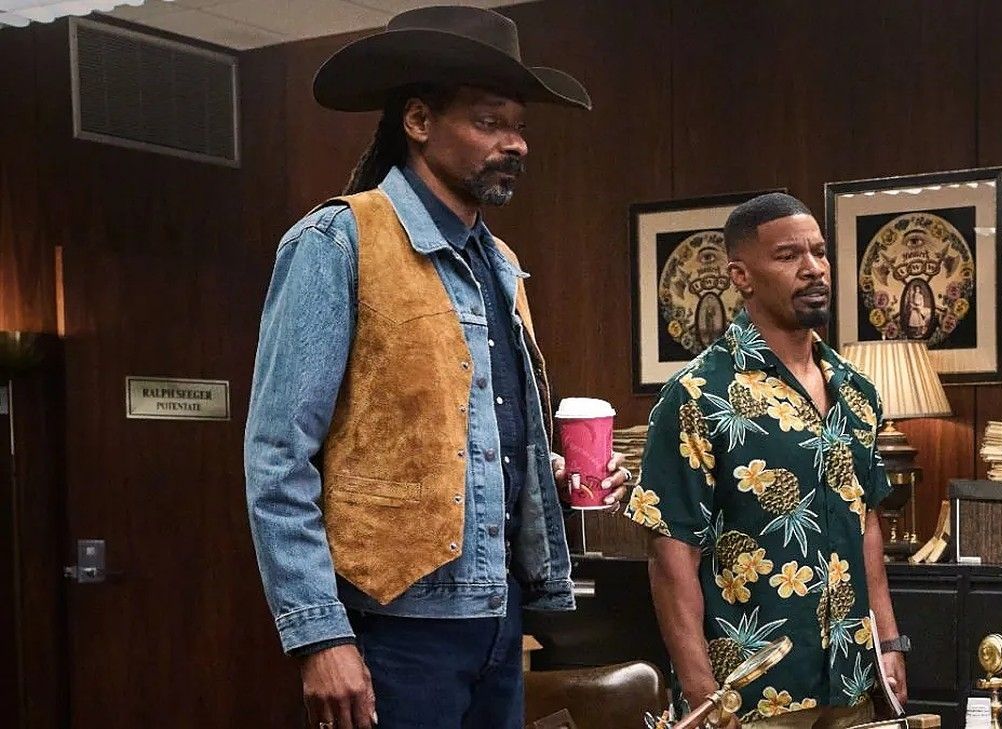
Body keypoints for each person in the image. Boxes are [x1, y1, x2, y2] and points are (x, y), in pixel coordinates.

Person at [243, 7, 629, 729]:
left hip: (498, 614)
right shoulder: (338, 239)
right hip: (393, 622)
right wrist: (319, 634)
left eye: (520, 126)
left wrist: (550, 474)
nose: (516, 143)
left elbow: (459, 438)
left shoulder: (500, 262)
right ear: (418, 120)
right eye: (489, 122)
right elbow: (277, 456)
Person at [626, 193, 909, 725]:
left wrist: (888, 642)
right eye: (788, 256)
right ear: (741, 276)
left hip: (852, 680)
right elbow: (671, 553)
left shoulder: (857, 391)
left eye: (819, 252)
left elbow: (867, 522)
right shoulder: (698, 394)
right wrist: (702, 693)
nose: (813, 268)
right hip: (751, 695)